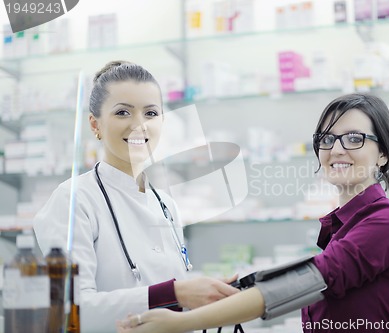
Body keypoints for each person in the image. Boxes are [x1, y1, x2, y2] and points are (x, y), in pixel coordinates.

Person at [116, 93, 389, 333]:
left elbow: (311, 279)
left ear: (383, 153)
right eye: (327, 139)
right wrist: (232, 292)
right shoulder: (344, 224)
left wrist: (179, 323)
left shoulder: (388, 222)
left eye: (354, 138)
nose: (337, 149)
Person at [33, 60, 239, 333]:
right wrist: (176, 293)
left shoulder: (166, 204)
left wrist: (209, 296)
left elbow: (171, 306)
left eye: (151, 113)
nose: (139, 125)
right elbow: (71, 312)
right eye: (122, 113)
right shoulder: (73, 200)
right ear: (95, 125)